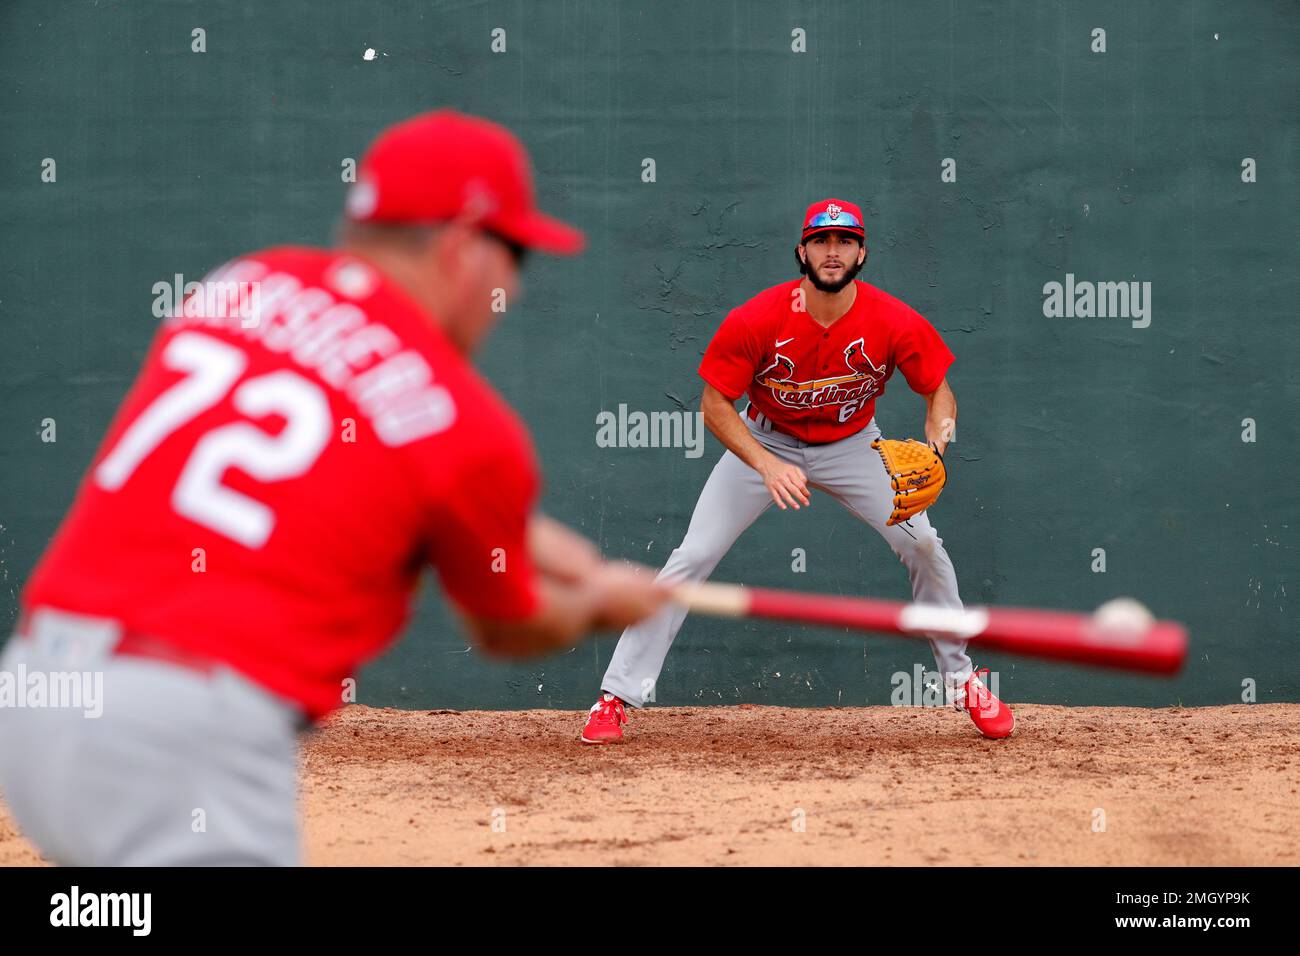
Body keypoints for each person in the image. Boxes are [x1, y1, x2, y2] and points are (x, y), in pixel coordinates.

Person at [0, 109, 666, 865]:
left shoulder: (244, 282)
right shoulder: (467, 426)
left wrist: (530, 539)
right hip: (182, 737)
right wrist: (600, 605)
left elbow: (361, 471)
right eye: (515, 252)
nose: (514, 282)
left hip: (35, 692)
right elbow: (505, 625)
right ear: (460, 246)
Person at [581, 198, 1014, 744]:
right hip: (764, 438)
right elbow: (715, 404)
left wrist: (937, 447)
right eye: (821, 241)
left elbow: (939, 393)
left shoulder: (892, 318)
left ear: (862, 252)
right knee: (691, 555)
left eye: (844, 241)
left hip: (855, 445)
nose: (832, 251)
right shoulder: (758, 317)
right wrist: (764, 464)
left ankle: (962, 680)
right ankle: (617, 695)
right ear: (801, 251)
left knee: (924, 544)